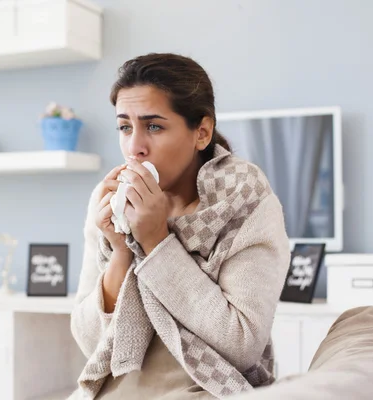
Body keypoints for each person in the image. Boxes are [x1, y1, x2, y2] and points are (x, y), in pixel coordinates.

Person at [69, 53, 290, 399]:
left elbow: (243, 344)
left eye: (154, 126)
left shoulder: (245, 199)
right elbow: (89, 344)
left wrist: (156, 242)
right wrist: (121, 252)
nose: (134, 148)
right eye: (125, 127)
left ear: (201, 132)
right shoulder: (109, 200)